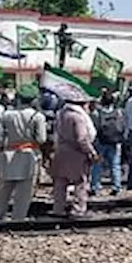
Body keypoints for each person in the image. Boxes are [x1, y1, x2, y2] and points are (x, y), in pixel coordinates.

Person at [0, 85, 47, 222]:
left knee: (5, 188)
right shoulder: (37, 116)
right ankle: (18, 218)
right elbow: (41, 139)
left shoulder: (6, 115)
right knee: (24, 191)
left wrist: (0, 152)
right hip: (29, 155)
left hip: (9, 153)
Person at [49, 85, 98, 218]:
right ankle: (78, 209)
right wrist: (91, 152)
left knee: (60, 182)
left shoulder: (61, 114)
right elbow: (81, 138)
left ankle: (58, 209)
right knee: (80, 182)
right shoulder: (78, 117)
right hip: (76, 153)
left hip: (61, 150)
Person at [90, 91, 126, 196]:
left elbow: (94, 127)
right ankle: (116, 186)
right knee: (115, 164)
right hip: (114, 141)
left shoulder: (97, 113)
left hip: (100, 141)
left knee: (97, 164)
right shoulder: (118, 112)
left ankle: (95, 186)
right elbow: (122, 126)